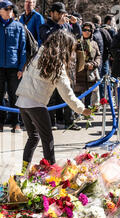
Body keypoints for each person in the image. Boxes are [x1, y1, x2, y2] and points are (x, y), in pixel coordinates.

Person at [16, 30, 91, 173]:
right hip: (36, 104)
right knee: (47, 139)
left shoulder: (40, 53)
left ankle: (24, 171)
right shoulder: (56, 64)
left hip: (23, 100)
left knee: (33, 137)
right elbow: (67, 94)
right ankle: (52, 172)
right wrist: (82, 109)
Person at [38, 2, 82, 130]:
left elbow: (77, 37)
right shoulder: (45, 26)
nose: (62, 15)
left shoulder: (66, 26)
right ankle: (50, 122)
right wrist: (58, 25)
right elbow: (47, 38)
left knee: (69, 92)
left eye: (63, 13)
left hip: (67, 64)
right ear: (52, 13)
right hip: (51, 63)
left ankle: (70, 121)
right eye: (59, 13)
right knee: (50, 94)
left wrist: (75, 24)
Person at [0, 0, 26, 133]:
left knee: (14, 96)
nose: (9, 11)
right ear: (0, 11)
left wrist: (21, 67)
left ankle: (16, 123)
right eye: (6, 9)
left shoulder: (19, 26)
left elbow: (23, 48)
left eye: (11, 9)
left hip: (14, 67)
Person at [74, 22, 101, 108]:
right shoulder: (77, 43)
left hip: (91, 73)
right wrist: (84, 64)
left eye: (89, 30)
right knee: (78, 94)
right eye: (84, 30)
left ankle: (88, 114)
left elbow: (98, 56)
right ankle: (77, 113)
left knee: (89, 94)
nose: (86, 32)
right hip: (79, 73)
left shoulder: (94, 43)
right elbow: (73, 58)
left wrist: (94, 64)